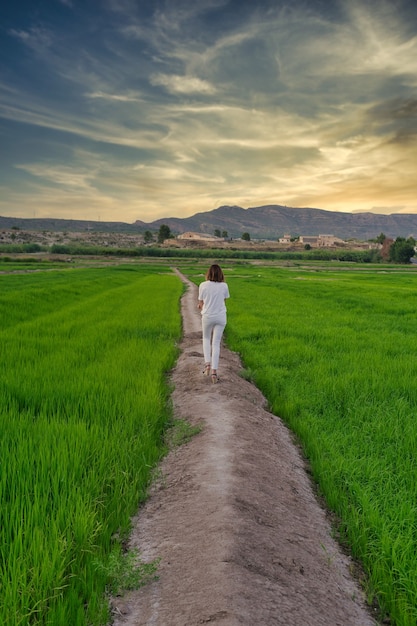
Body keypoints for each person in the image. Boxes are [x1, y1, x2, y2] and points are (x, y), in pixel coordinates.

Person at [197, 264, 230, 384]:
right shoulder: (224, 286)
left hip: (207, 316)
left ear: (208, 273)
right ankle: (214, 373)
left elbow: (201, 303)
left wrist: (200, 306)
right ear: (221, 274)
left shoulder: (203, 285)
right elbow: (223, 301)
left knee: (206, 339)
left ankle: (207, 366)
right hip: (221, 317)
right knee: (216, 343)